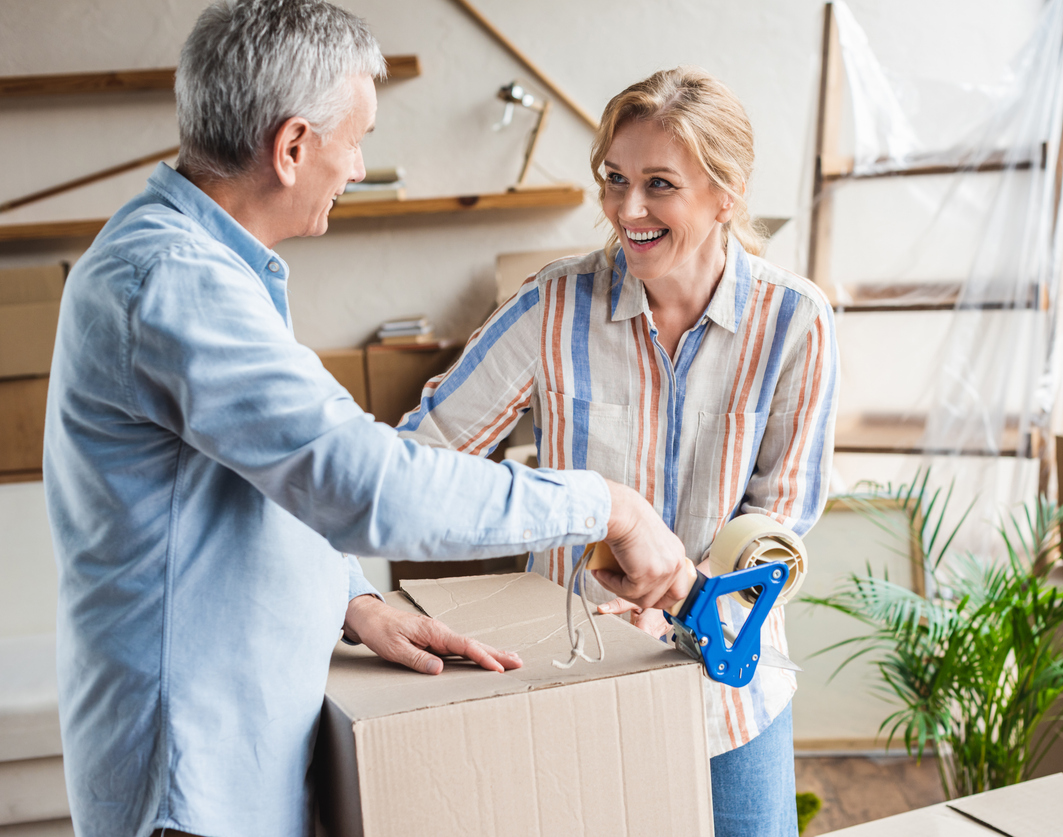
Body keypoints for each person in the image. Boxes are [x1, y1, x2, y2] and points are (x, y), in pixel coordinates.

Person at [41, 3, 691, 836]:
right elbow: (364, 482)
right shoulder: (174, 284)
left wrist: (352, 598)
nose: (355, 168)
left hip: (231, 767)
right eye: (356, 139)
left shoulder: (204, 267)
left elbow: (271, 474)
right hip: (194, 790)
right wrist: (610, 504)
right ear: (292, 147)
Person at [398, 67, 839, 837]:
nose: (626, 210)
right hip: (575, 681)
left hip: (731, 693)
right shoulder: (550, 307)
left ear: (724, 194)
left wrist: (685, 602)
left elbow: (782, 521)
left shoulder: (794, 322)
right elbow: (419, 461)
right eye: (614, 179)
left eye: (658, 184)